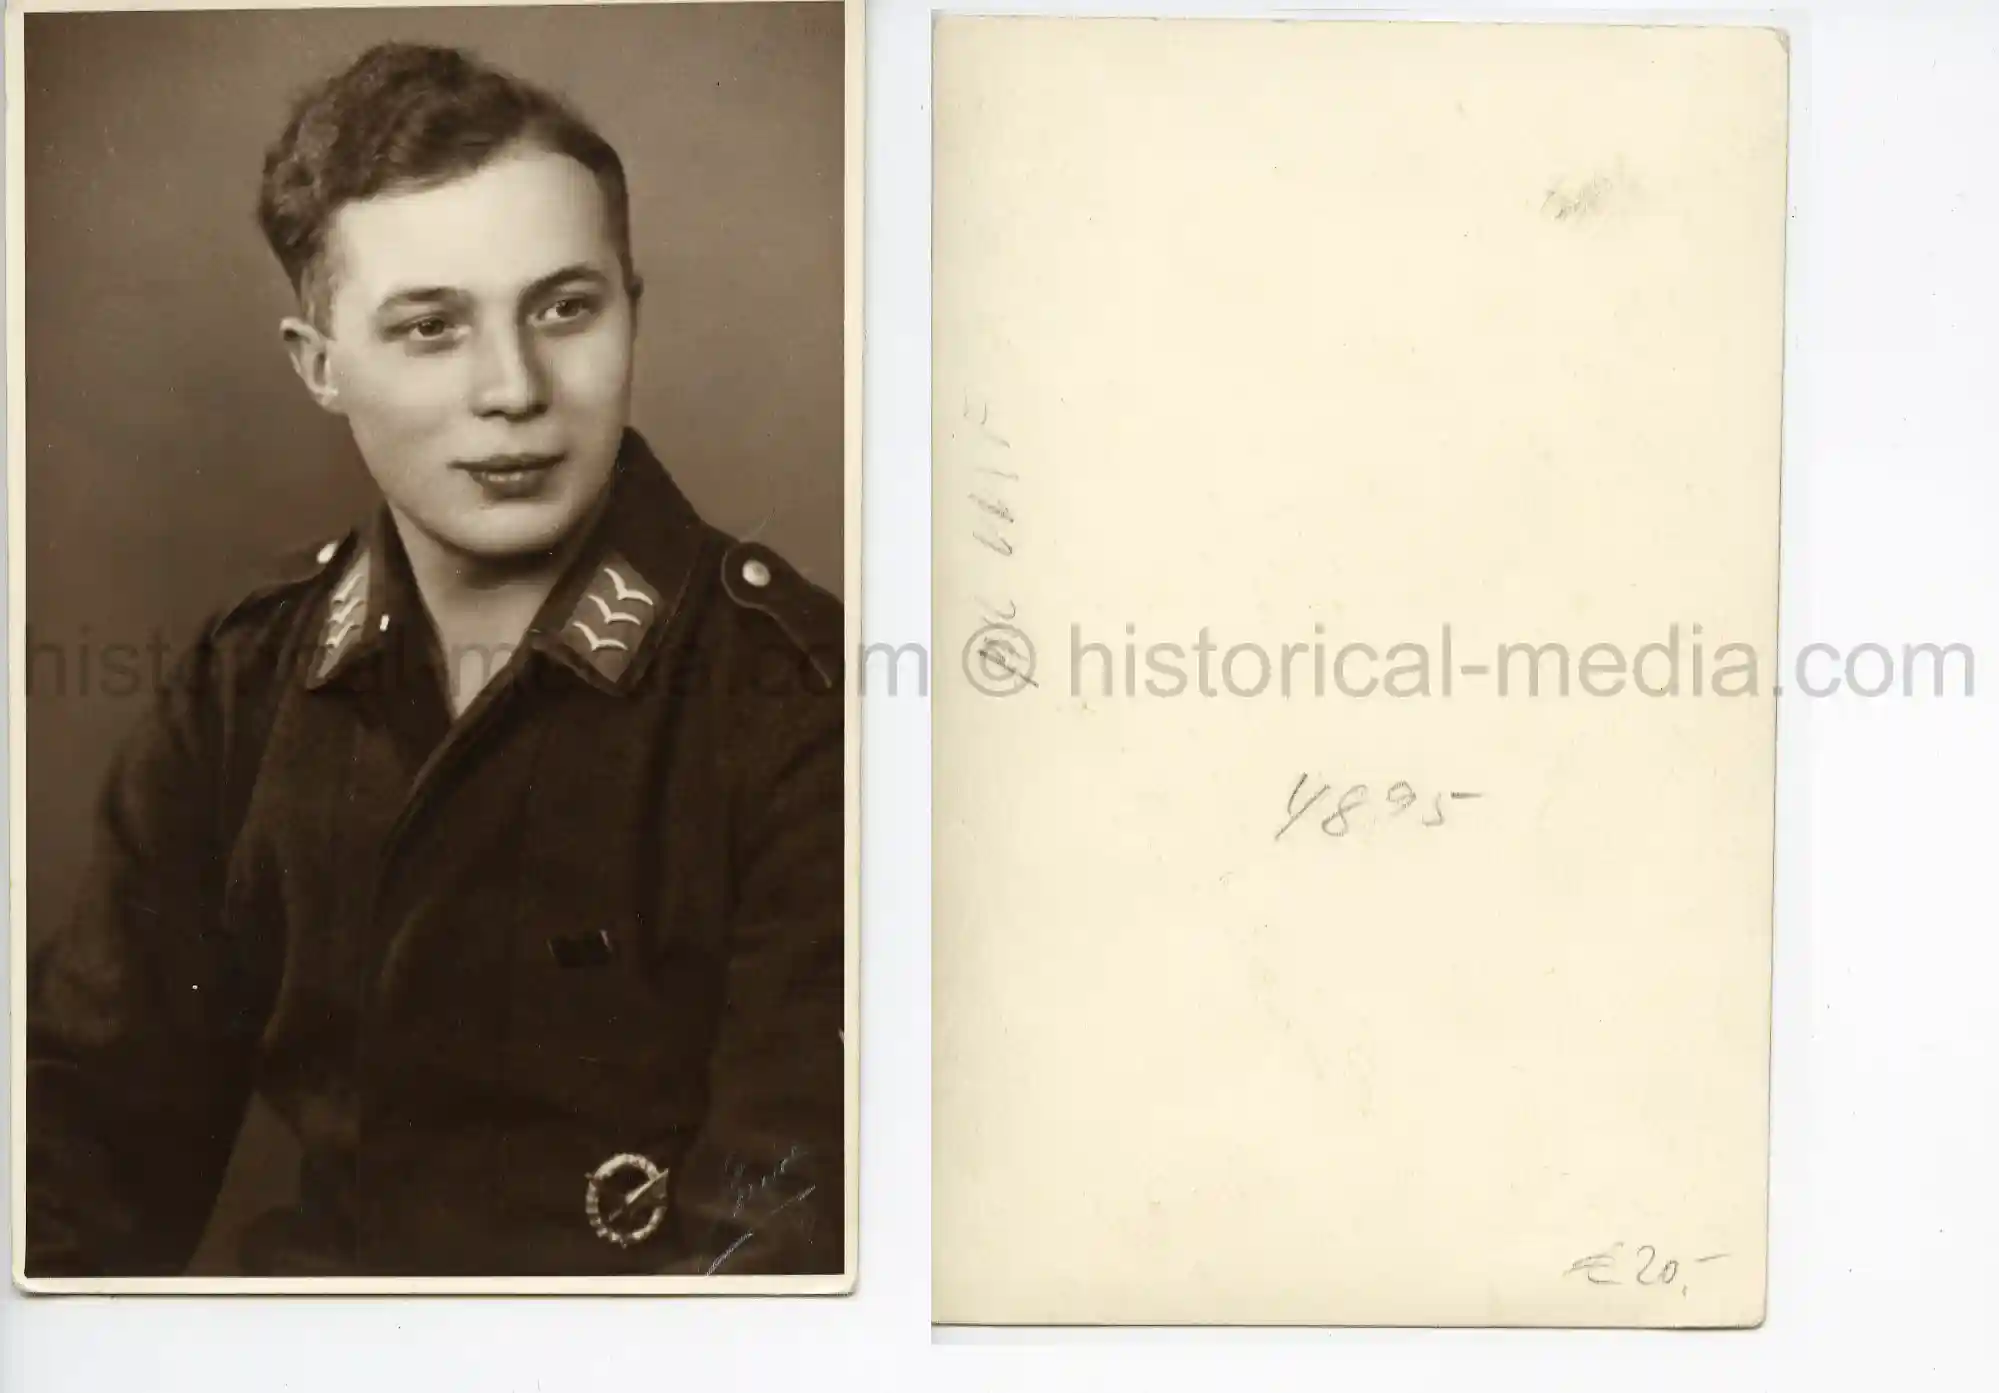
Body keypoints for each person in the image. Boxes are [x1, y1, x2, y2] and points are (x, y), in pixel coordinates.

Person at [25, 42, 845, 1277]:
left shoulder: (798, 696)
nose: (513, 389)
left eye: (566, 308)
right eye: (429, 328)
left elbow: (783, 1239)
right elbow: (72, 1158)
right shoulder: (245, 686)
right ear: (319, 365)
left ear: (635, 307)